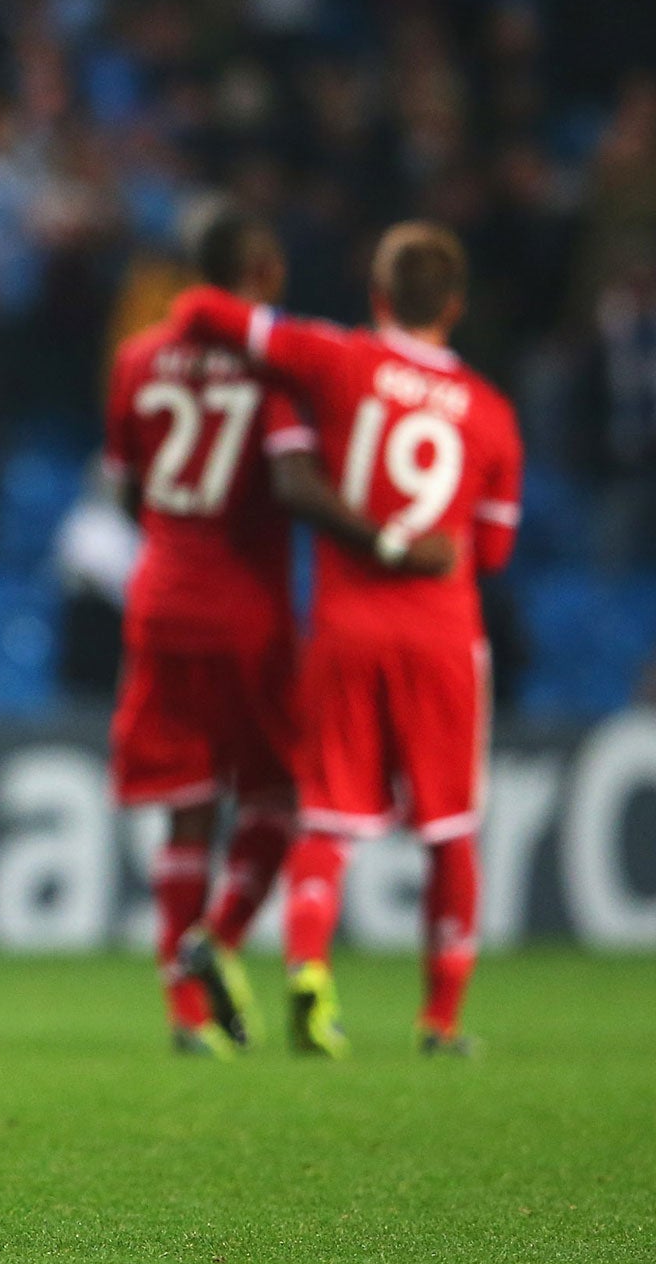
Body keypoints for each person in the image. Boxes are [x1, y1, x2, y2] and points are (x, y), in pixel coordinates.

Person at [170, 221, 523, 1056]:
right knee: (449, 831)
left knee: (327, 818)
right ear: (457, 307)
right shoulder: (491, 411)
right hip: (441, 637)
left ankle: (307, 973)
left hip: (343, 629)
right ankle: (440, 1022)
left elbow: (201, 311)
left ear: (377, 296)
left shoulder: (335, 360)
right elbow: (496, 550)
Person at [105, 211, 453, 1057]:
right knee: (281, 794)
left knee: (186, 810)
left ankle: (186, 1016)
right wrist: (388, 546)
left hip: (159, 599)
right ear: (261, 269)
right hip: (246, 614)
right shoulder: (270, 376)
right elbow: (294, 485)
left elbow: (126, 488)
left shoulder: (135, 360)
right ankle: (216, 944)